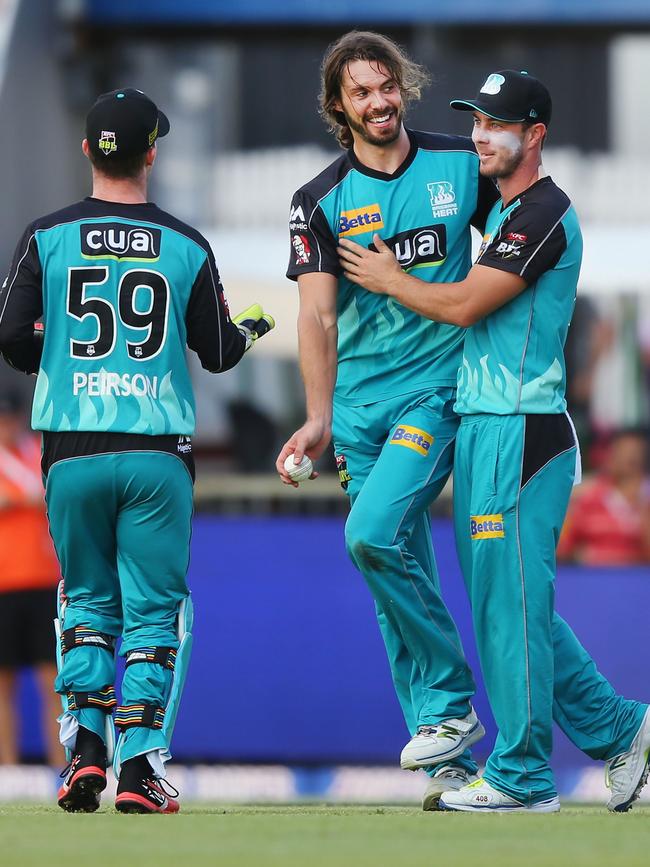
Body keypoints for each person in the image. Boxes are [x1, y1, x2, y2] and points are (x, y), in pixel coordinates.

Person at [338, 69, 650, 813]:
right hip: (486, 427)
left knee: (509, 607)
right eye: (475, 120)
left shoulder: (542, 210)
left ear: (534, 135)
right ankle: (622, 729)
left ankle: (522, 775)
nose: (479, 134)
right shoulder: (508, 209)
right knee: (510, 607)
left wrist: (387, 277)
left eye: (495, 123)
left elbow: (466, 303)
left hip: (522, 428)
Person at [0, 88, 274, 813]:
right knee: (156, 612)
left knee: (85, 601)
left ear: (88, 150)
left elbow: (8, 336)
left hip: (72, 449)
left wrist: (56, 352)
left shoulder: (47, 235)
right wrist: (252, 324)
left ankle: (84, 749)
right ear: (153, 152)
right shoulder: (185, 244)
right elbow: (217, 351)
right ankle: (138, 766)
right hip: (156, 450)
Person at [275, 31, 500, 810]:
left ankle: (451, 699)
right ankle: (441, 746)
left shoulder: (459, 165)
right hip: (357, 413)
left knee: (370, 536)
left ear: (403, 87)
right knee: (389, 571)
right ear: (338, 107)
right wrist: (315, 416)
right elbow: (316, 319)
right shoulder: (320, 199)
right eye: (361, 92)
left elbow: (523, 240)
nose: (379, 101)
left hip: (437, 390)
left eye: (387, 86)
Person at [0, 390, 63, 767]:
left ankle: (63, 765)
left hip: (42, 579)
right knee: (2, 684)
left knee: (53, 680)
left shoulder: (37, 451)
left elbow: (54, 490)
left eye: (11, 418)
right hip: (3, 583)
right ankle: (6, 768)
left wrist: (21, 497)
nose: (7, 426)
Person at [558, 428, 650, 565]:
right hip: (593, 578)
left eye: (635, 455)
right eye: (623, 452)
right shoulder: (588, 496)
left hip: (637, 579)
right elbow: (564, 548)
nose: (629, 459)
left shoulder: (645, 499)